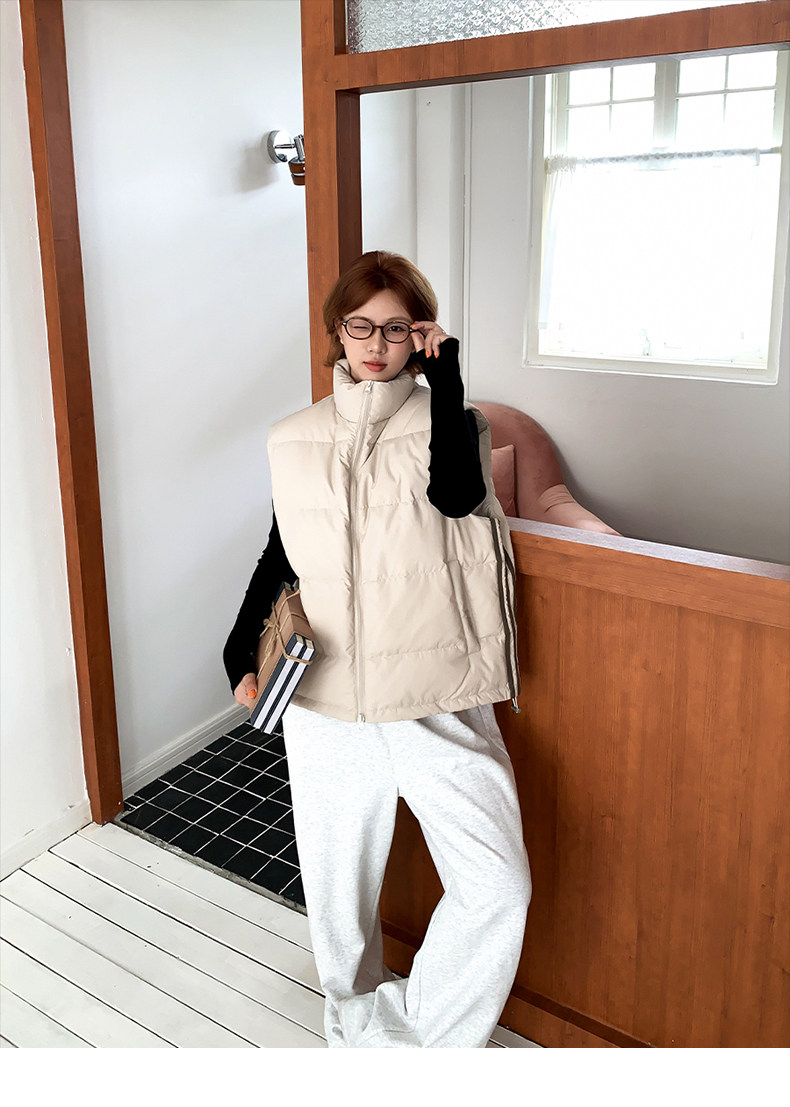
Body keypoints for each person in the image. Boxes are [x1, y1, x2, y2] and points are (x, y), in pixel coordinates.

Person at [223, 250, 531, 1048]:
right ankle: (352, 1025)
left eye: (397, 329)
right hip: (324, 697)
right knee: (337, 893)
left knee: (497, 884)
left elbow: (458, 494)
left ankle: (419, 1043)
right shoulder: (293, 438)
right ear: (337, 331)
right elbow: (281, 552)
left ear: (420, 336)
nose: (376, 344)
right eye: (361, 325)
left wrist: (447, 373)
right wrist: (239, 651)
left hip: (434, 691)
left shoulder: (452, 424)